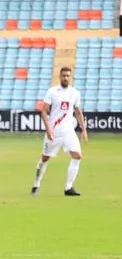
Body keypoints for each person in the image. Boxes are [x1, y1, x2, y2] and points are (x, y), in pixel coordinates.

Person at [31, 66, 87, 196]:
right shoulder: (52, 92)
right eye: (64, 75)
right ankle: (36, 183)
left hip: (68, 131)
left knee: (77, 156)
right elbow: (44, 111)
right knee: (45, 158)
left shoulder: (75, 93)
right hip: (54, 131)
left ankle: (68, 188)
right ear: (60, 77)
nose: (66, 78)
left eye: (68, 76)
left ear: (71, 77)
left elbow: (78, 112)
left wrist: (83, 129)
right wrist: (48, 129)